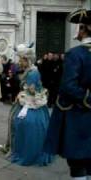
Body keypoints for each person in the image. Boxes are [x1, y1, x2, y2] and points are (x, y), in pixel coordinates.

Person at [44, 9, 91, 180]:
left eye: (79, 27)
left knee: (78, 163)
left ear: (84, 29)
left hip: (79, 116)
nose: (77, 31)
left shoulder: (75, 54)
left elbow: (68, 86)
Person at [1, 43, 54, 166]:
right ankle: (15, 147)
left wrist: (23, 93)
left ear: (28, 60)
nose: (19, 62)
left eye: (21, 60)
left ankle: (26, 150)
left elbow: (32, 90)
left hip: (32, 102)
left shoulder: (33, 72)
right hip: (29, 98)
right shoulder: (30, 70)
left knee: (24, 122)